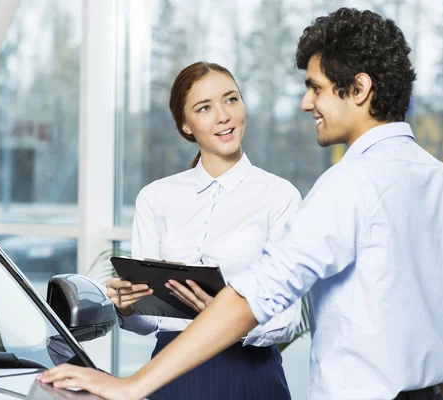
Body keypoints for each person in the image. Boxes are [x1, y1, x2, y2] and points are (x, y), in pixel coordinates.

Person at [37, 8, 443, 400]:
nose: (306, 102)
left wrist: (130, 387)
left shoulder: (349, 183)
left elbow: (253, 299)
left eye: (316, 88)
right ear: (186, 124)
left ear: (360, 88)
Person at [107, 61, 301, 399]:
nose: (223, 116)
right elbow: (150, 320)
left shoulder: (279, 196)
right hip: (170, 374)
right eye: (204, 108)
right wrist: (126, 308)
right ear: (185, 125)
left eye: (231, 100)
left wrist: (224, 316)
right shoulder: (155, 198)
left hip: (249, 375)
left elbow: (290, 319)